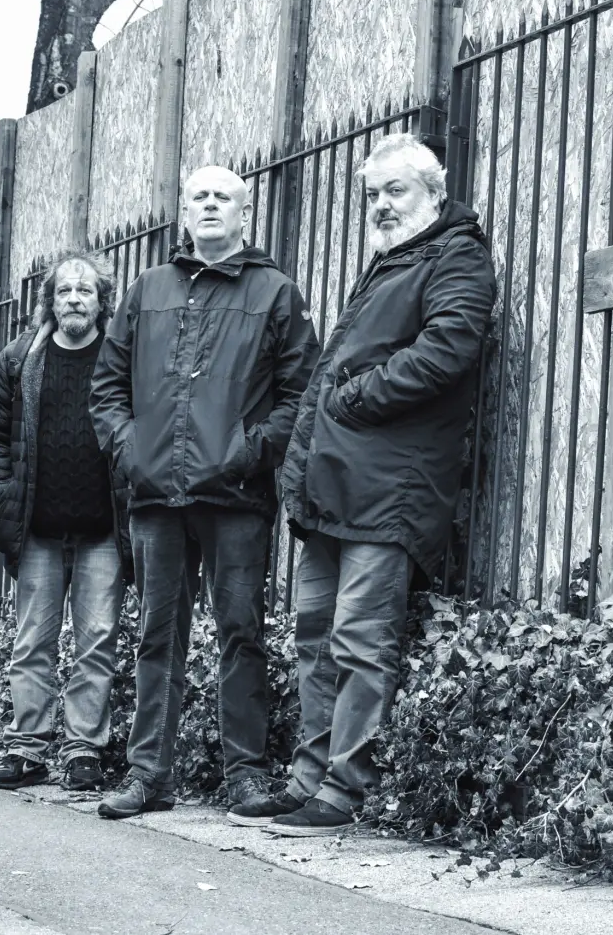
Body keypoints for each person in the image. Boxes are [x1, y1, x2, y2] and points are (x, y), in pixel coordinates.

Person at [235, 133, 497, 836]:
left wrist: (354, 398)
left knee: (359, 639)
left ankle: (342, 791)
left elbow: (447, 350)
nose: (380, 205)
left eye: (394, 191)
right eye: (372, 195)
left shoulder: (456, 256)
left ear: (433, 193)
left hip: (391, 490)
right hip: (336, 487)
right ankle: (306, 782)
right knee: (316, 637)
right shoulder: (393, 260)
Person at [89, 165, 321, 819]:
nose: (211, 204)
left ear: (245, 212)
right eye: (200, 196)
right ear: (184, 212)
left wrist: (249, 452)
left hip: (236, 497)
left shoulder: (275, 292)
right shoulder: (148, 289)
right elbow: (107, 388)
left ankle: (245, 776)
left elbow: (301, 393)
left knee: (241, 632)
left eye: (224, 196)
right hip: (156, 495)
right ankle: (148, 775)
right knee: (156, 635)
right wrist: (131, 452)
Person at [0, 251, 133, 793]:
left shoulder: (121, 358)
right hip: (37, 529)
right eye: (64, 290)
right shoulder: (21, 357)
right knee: (31, 642)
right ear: (50, 300)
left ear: (102, 301)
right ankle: (27, 748)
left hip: (102, 530)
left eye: (85, 291)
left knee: (97, 643)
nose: (74, 299)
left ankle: (83, 750)